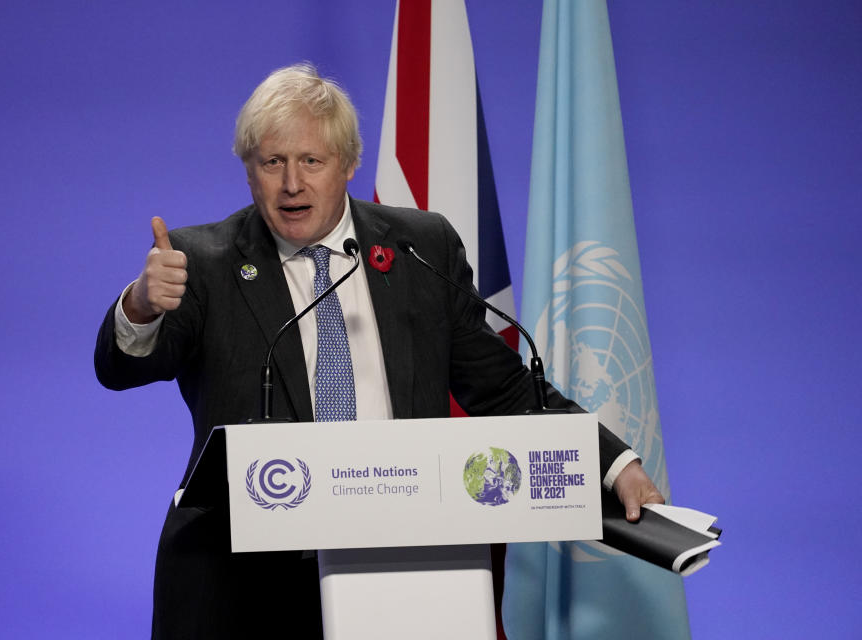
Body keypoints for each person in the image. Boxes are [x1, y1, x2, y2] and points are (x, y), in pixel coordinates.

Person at [95, 63, 663, 639]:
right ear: (249, 172)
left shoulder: (420, 248)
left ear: (347, 164)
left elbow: (504, 389)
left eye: (311, 161)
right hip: (243, 585)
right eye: (272, 163)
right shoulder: (204, 262)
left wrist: (613, 464)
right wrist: (140, 305)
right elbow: (123, 368)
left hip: (402, 568)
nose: (292, 184)